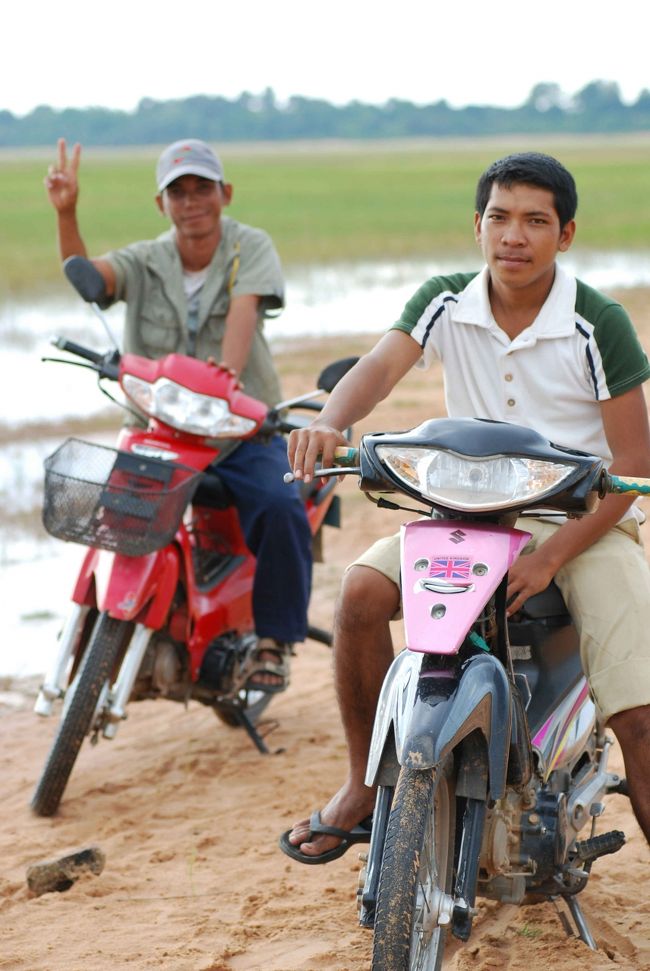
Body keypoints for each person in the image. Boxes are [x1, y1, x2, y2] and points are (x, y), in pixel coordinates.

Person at [281, 151, 650, 861]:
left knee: (639, 714)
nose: (514, 235)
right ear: (477, 225)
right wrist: (330, 421)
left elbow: (634, 465)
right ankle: (363, 784)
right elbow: (379, 367)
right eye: (499, 217)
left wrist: (550, 557)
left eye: (535, 221)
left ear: (565, 234)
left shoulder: (596, 321)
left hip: (582, 522)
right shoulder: (446, 299)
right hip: (469, 516)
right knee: (360, 593)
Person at [45, 136, 313, 693]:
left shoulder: (249, 246)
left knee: (280, 505)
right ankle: (104, 628)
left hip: (237, 429)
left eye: (202, 189)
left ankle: (274, 640)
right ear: (161, 204)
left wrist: (226, 384)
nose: (191, 202)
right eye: (179, 192)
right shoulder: (144, 259)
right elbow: (90, 278)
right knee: (114, 519)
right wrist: (67, 213)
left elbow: (242, 318)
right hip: (160, 433)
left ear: (225, 193)